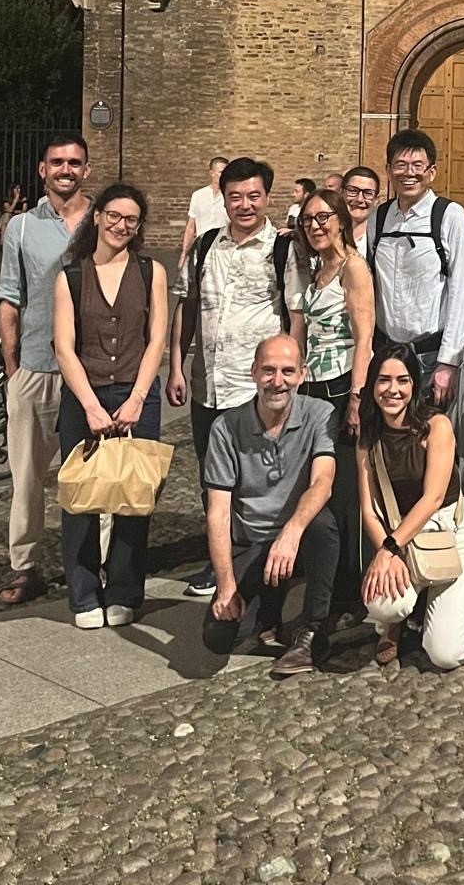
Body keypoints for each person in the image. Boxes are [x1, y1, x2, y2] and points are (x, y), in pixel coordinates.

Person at [168, 156, 292, 598]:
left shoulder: (282, 248)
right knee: (212, 478)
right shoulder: (204, 247)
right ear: (222, 198)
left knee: (258, 479)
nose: (244, 205)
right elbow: (187, 306)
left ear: (266, 197)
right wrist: (175, 366)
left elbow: (294, 316)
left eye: (253, 196)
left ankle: (258, 560)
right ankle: (218, 560)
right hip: (209, 384)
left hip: (255, 386)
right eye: (235, 196)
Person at [52, 183, 170, 627]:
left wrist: (139, 397)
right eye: (115, 216)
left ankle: (124, 588)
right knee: (81, 497)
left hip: (136, 394)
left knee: (133, 496)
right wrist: (90, 406)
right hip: (85, 394)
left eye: (131, 220)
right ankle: (83, 593)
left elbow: (157, 336)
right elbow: (65, 347)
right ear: (98, 216)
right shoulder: (71, 276)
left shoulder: (150, 272)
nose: (122, 226)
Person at [202, 334, 339, 675]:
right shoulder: (226, 428)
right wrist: (226, 585)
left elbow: (323, 482)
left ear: (302, 374)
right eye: (268, 371)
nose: (278, 382)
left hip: (298, 541)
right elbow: (218, 513)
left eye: (288, 371)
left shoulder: (320, 414)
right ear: (253, 373)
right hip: (252, 542)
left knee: (323, 526)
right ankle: (266, 611)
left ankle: (311, 630)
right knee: (218, 637)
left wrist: (291, 532)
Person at [0, 134, 92, 606]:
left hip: (91, 372)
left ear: (86, 170)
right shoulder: (22, 228)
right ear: (42, 170)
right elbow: (10, 296)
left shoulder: (105, 220)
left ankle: (97, 568)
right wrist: (14, 368)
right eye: (57, 162)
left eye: (74, 162)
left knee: (94, 478)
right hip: (35, 364)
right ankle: (25, 566)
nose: (65, 169)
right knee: (28, 478)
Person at [358, 343, 464, 669]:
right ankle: (395, 623)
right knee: (382, 605)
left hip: (449, 530)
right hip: (402, 536)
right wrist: (388, 554)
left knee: (447, 655)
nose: (393, 389)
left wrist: (389, 549)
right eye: (384, 380)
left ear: (414, 385)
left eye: (402, 380)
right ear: (372, 385)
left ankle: (438, 602)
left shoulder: (436, 426)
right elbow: (370, 509)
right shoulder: (368, 435)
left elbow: (431, 499)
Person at [289, 187, 375, 614]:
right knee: (316, 483)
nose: (316, 226)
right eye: (309, 220)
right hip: (311, 387)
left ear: (341, 219)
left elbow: (364, 338)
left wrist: (358, 397)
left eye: (324, 218)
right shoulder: (317, 268)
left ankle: (350, 589)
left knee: (343, 492)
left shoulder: (353, 269)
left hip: (341, 386)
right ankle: (324, 574)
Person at [365, 131, 464, 407]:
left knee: (431, 439)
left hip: (431, 356)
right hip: (387, 354)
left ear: (431, 172)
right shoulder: (378, 219)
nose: (408, 173)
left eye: (417, 166)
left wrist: (449, 362)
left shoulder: (449, 215)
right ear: (388, 170)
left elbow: (461, 290)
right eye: (400, 165)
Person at [178, 156, 228, 271]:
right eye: (221, 172)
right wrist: (184, 254)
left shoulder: (231, 197)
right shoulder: (198, 195)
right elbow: (191, 227)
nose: (224, 175)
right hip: (201, 248)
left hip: (223, 250)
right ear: (212, 173)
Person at [342, 166, 381, 247]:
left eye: (368, 193)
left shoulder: (381, 237)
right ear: (342, 193)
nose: (359, 199)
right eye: (353, 191)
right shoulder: (327, 232)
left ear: (376, 200)